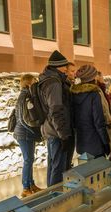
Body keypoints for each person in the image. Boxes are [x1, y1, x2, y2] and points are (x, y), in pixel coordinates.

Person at [39, 50, 73, 187]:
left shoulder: (48, 79)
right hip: (56, 131)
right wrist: (64, 134)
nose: (66, 69)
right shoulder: (54, 83)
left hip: (51, 129)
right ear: (58, 66)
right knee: (58, 167)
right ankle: (55, 197)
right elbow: (56, 110)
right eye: (64, 66)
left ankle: (51, 194)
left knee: (53, 164)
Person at [71, 65, 110, 158]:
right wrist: (106, 143)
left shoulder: (73, 93)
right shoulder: (94, 94)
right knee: (99, 171)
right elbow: (99, 122)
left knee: (86, 170)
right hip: (95, 143)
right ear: (92, 77)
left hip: (81, 143)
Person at [13, 74, 42, 197]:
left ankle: (31, 185)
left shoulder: (25, 95)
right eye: (34, 82)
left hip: (25, 133)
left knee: (30, 160)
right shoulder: (25, 97)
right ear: (28, 84)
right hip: (24, 134)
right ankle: (25, 188)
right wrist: (35, 129)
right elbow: (25, 119)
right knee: (28, 160)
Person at [96, 71, 111, 160]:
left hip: (102, 125)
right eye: (102, 77)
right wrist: (110, 120)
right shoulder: (98, 91)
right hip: (103, 125)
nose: (103, 79)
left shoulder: (101, 90)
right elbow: (104, 109)